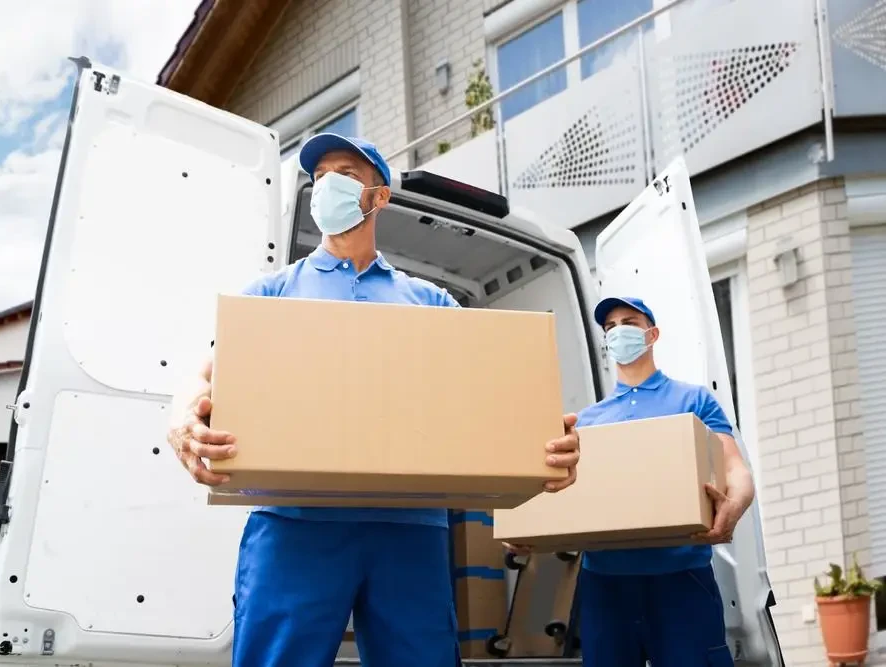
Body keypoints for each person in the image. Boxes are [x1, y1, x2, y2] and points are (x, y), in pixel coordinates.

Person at [165, 132, 582, 667]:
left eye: (345, 176)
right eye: (320, 177)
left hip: (409, 528)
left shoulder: (430, 302)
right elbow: (204, 374)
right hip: (295, 523)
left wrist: (544, 445)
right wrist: (182, 417)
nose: (327, 186)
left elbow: (492, 399)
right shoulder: (272, 294)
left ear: (379, 196)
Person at [506, 296, 755, 667]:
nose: (618, 331)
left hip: (681, 577)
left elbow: (735, 469)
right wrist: (524, 531)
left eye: (629, 323)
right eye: (610, 327)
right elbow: (555, 494)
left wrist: (736, 505)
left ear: (652, 334)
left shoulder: (694, 401)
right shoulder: (586, 422)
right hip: (606, 583)